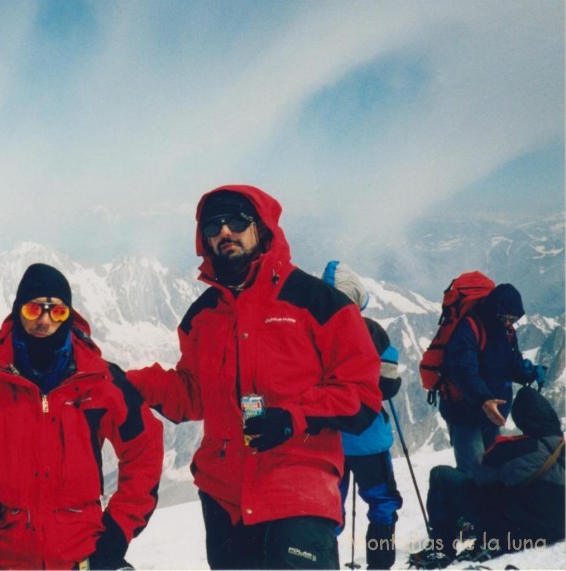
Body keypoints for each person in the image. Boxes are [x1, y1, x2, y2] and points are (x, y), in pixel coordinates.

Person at [127, 185, 382, 570]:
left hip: (299, 487)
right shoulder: (203, 316)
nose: (224, 232)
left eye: (236, 221)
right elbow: (193, 396)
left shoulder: (318, 302)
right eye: (213, 226)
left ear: (261, 228)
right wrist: (127, 382)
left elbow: (362, 393)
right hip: (224, 497)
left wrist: (295, 417)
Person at [0, 263, 163, 570]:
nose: (44, 320)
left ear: (68, 315)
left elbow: (145, 448)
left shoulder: (100, 381)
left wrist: (116, 536)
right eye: (33, 310)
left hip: (79, 557)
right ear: (17, 311)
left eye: (56, 311)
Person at [410, 386, 565, 569]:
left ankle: (442, 549)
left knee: (441, 475)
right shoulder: (560, 447)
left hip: (516, 533)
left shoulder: (515, 449)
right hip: (558, 529)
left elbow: (479, 472)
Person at [322, 261, 403, 570]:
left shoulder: (312, 330)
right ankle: (380, 565)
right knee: (382, 503)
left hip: (328, 439)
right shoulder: (372, 331)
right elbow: (388, 385)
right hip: (368, 438)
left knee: (327, 509)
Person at [439, 282, 546, 471]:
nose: (508, 323)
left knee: (495, 470)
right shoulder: (470, 328)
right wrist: (484, 399)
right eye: (504, 318)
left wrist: (532, 372)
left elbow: (511, 363)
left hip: (491, 414)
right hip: (465, 414)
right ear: (492, 310)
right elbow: (463, 371)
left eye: (513, 319)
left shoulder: (506, 332)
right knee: (473, 473)